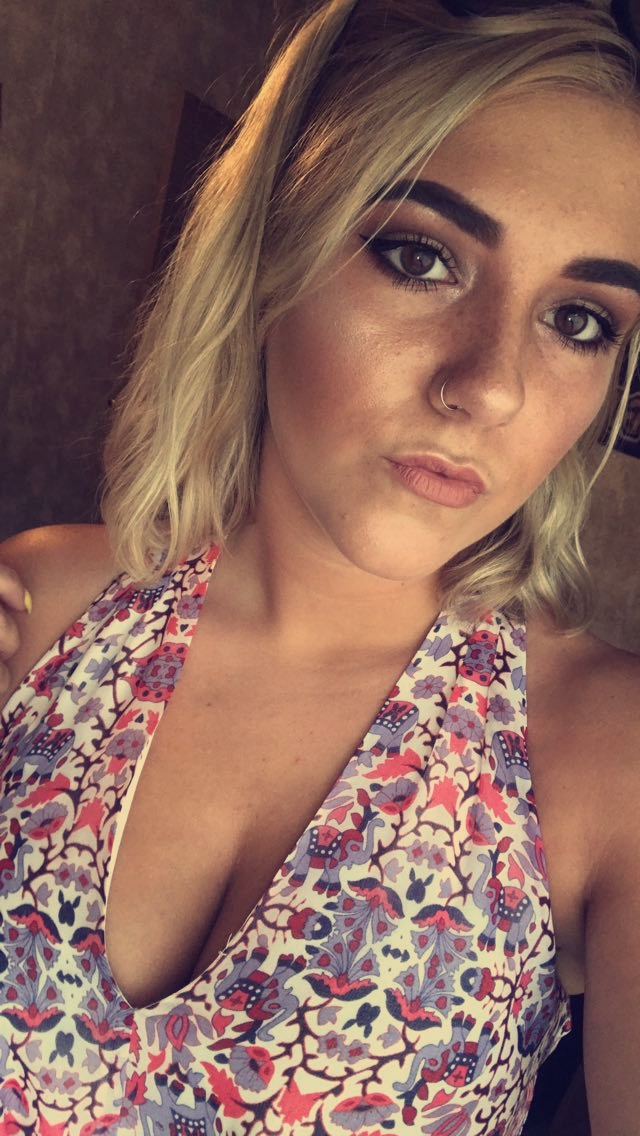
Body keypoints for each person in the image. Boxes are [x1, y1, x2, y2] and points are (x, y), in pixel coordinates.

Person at [1, 1, 640, 1132]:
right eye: (421, 257)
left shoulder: (602, 756)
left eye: (579, 320)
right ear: (267, 251)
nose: (490, 386)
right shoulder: (48, 612)